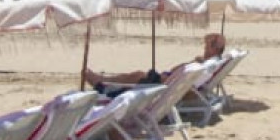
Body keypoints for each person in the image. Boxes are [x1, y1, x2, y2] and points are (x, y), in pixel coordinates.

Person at [86, 31, 225, 92]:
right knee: (137, 75)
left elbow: (177, 75)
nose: (204, 48)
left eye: (207, 45)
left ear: (214, 48)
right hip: (169, 83)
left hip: (164, 86)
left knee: (137, 76)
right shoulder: (211, 63)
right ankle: (104, 79)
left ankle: (102, 83)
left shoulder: (205, 65)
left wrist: (192, 63)